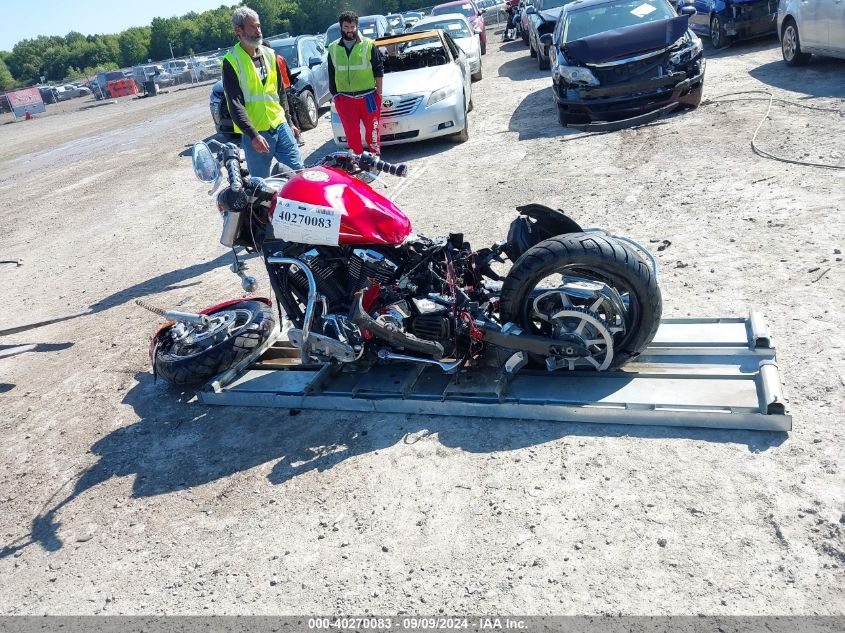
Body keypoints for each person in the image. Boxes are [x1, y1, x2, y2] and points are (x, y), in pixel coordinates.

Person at [221, 7, 303, 178]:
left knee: (298, 174)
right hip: (256, 133)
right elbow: (235, 104)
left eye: (258, 26)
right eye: (252, 27)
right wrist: (253, 135)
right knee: (261, 184)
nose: (258, 31)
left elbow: (280, 92)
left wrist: (289, 122)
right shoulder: (232, 61)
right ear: (239, 30)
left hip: (280, 125)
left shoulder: (269, 54)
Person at [327, 11, 385, 155]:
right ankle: (357, 161)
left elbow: (378, 70)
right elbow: (331, 73)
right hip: (345, 100)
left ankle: (375, 160)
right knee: (352, 136)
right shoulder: (333, 48)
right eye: (346, 27)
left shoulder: (369, 44)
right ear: (341, 27)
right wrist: (335, 95)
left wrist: (379, 93)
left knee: (372, 133)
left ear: (357, 26)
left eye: (352, 27)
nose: (350, 30)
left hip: (369, 97)